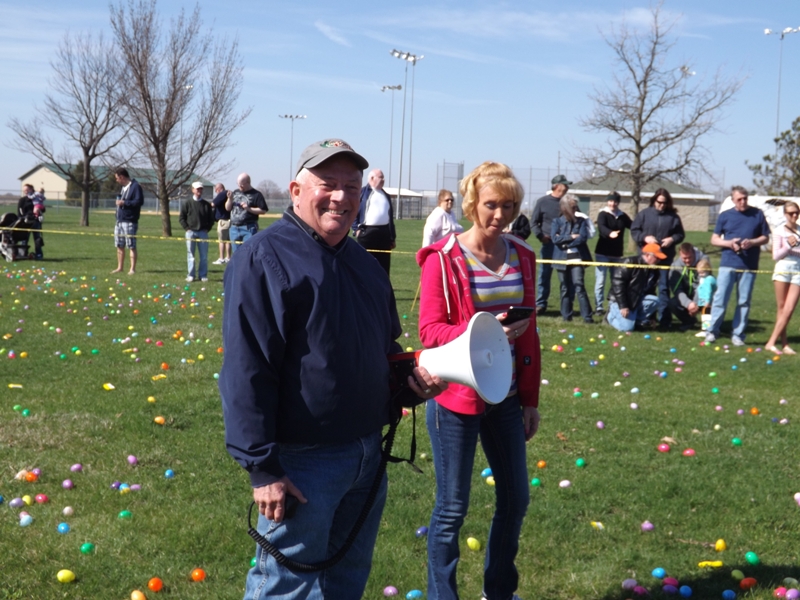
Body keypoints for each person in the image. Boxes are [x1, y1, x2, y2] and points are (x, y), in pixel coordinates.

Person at [220, 138, 444, 600]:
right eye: (328, 184)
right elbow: (247, 368)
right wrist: (263, 469)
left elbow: (382, 352)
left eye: (352, 186)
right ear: (296, 190)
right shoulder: (264, 258)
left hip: (367, 453)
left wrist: (410, 385)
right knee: (286, 588)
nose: (341, 197)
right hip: (303, 462)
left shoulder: (366, 264)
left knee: (346, 581)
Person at [417, 161, 540, 600]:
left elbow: (530, 335)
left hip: (506, 397)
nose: (499, 215)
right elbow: (430, 331)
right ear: (472, 204)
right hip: (456, 398)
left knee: (516, 499)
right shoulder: (443, 258)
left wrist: (530, 399)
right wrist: (484, 331)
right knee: (452, 509)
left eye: (508, 205)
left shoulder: (523, 256)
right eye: (491, 205)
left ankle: (499, 591)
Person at [705, 186, 770, 346]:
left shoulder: (757, 214)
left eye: (745, 198)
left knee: (744, 301)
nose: (742, 202)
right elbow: (714, 239)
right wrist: (729, 243)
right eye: (739, 199)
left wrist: (752, 242)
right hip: (728, 263)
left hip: (749, 265)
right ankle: (712, 331)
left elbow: (765, 237)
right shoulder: (725, 215)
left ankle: (738, 335)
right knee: (720, 299)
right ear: (733, 200)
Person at [631, 188, 685, 327]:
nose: (662, 205)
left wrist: (672, 239)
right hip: (647, 258)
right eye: (659, 202)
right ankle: (646, 318)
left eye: (664, 203)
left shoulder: (673, 217)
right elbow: (634, 231)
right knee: (646, 287)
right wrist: (645, 238)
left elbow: (680, 234)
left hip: (665, 257)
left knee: (664, 288)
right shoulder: (644, 214)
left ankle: (664, 320)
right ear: (654, 200)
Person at [531, 174, 571, 315]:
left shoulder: (568, 203)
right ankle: (540, 304)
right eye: (565, 184)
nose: (567, 187)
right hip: (548, 245)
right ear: (557, 186)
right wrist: (541, 237)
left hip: (564, 246)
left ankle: (566, 308)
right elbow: (534, 223)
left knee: (564, 278)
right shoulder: (543, 202)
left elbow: (577, 219)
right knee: (544, 276)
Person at [764, 201, 800, 354]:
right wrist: (788, 246)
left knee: (789, 308)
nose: (794, 216)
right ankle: (783, 343)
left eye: (797, 212)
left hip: (798, 270)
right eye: (791, 213)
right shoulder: (779, 231)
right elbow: (776, 255)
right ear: (785, 214)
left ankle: (771, 342)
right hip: (783, 269)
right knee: (782, 307)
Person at [551, 194, 594, 323]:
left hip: (577, 258)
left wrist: (566, 243)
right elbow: (554, 239)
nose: (575, 209)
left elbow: (582, 238)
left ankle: (587, 317)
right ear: (565, 208)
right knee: (564, 287)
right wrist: (571, 237)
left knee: (579, 285)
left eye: (576, 207)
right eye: (572, 207)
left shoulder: (581, 221)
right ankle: (566, 316)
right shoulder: (556, 222)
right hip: (561, 258)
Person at [606, 243, 664, 332]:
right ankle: (610, 317)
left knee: (655, 300)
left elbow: (651, 291)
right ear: (647, 255)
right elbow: (618, 284)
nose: (659, 261)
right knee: (627, 328)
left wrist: (652, 316)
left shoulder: (654, 270)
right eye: (657, 258)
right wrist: (623, 306)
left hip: (637, 300)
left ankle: (638, 322)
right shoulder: (629, 262)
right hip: (620, 301)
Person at [594, 192, 632, 315]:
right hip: (602, 253)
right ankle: (599, 307)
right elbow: (601, 227)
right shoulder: (603, 214)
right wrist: (610, 233)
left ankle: (613, 305)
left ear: (618, 202)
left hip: (616, 254)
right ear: (607, 201)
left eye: (615, 201)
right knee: (601, 281)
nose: (613, 204)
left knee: (616, 281)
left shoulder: (622, 216)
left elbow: (633, 226)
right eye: (610, 201)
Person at [352, 168, 396, 276]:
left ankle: (383, 284)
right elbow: (353, 212)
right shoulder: (362, 193)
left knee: (384, 265)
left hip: (384, 233)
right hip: (367, 233)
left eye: (383, 177)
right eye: (380, 177)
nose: (383, 180)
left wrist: (392, 237)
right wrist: (356, 229)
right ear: (371, 178)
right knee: (365, 263)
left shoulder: (386, 195)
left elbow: (390, 218)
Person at [668, 242, 709, 332]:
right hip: (687, 294)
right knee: (672, 303)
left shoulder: (704, 261)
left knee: (709, 300)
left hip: (703, 293)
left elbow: (703, 284)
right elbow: (677, 289)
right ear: (680, 255)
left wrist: (695, 303)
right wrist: (688, 303)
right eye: (684, 258)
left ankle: (707, 327)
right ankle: (689, 321)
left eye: (690, 257)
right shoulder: (675, 266)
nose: (687, 260)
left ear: (694, 253)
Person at [179, 182, 215, 282]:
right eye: (197, 189)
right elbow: (182, 218)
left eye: (201, 189)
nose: (199, 191)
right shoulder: (187, 203)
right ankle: (191, 275)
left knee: (203, 256)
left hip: (202, 233)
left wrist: (207, 229)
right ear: (193, 190)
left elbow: (211, 219)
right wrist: (187, 228)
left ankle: (202, 275)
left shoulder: (206, 204)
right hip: (190, 232)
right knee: (191, 255)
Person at [225, 173, 268, 254]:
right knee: (236, 254)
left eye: (241, 185)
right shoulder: (235, 192)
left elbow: (263, 210)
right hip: (234, 228)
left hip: (248, 228)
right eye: (238, 184)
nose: (239, 187)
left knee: (248, 253)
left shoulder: (257, 195)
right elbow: (227, 208)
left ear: (248, 182)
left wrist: (248, 208)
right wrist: (230, 199)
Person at [112, 167, 144, 274]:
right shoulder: (123, 188)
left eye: (117, 178)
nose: (116, 180)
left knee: (131, 245)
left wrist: (125, 203)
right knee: (119, 245)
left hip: (129, 220)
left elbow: (139, 201)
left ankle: (132, 269)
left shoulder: (135, 186)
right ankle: (120, 267)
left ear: (122, 177)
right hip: (119, 220)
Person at [17, 183, 44, 259]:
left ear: (31, 189)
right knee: (24, 239)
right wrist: (22, 220)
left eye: (27, 190)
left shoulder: (37, 198)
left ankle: (39, 254)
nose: (25, 191)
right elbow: (19, 213)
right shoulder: (22, 200)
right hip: (26, 222)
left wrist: (39, 210)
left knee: (37, 239)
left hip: (36, 222)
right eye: (24, 190)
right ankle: (23, 254)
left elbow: (43, 208)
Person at [694, 258, 717, 337]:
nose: (700, 275)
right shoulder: (705, 278)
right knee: (706, 316)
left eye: (702, 272)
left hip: (707, 302)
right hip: (704, 301)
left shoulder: (708, 280)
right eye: (699, 273)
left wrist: (707, 301)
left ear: (708, 270)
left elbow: (708, 291)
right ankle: (710, 329)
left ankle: (705, 331)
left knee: (706, 316)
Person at [211, 182, 232, 265]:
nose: (216, 192)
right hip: (229, 220)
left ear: (218, 189)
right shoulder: (228, 194)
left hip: (223, 221)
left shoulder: (222, 194)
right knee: (228, 241)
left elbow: (213, 204)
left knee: (221, 241)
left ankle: (221, 258)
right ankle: (228, 257)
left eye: (216, 190)